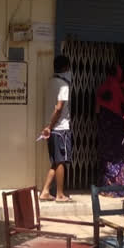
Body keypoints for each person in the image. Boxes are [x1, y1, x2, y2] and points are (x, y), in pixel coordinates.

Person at [40, 55, 74, 203]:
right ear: (66, 68)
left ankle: (45, 191)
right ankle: (60, 194)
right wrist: (51, 126)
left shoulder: (50, 83)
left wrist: (48, 126)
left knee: (55, 161)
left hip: (52, 129)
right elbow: (59, 108)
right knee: (61, 162)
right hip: (60, 128)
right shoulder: (63, 85)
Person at [96, 65, 124, 192]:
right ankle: (115, 186)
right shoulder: (118, 87)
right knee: (116, 155)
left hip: (104, 125)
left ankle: (105, 185)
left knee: (106, 154)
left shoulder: (103, 87)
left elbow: (97, 109)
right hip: (116, 124)